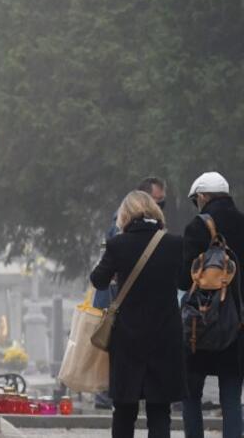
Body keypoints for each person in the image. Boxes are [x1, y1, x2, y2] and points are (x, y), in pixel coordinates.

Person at [90, 190, 185, 438]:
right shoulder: (174, 243)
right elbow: (185, 281)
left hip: (128, 337)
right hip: (165, 335)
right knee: (160, 409)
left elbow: (98, 280)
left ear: (125, 215)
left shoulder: (117, 244)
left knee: (124, 409)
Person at [181, 172, 244, 438]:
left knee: (191, 394)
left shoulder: (196, 227)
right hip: (237, 324)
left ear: (203, 196)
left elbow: (183, 279)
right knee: (231, 397)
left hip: (201, 324)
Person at [94, 177, 167, 310]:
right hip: (116, 301)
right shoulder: (122, 225)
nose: (161, 205)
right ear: (143, 199)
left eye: (162, 200)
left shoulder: (145, 225)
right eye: (157, 200)